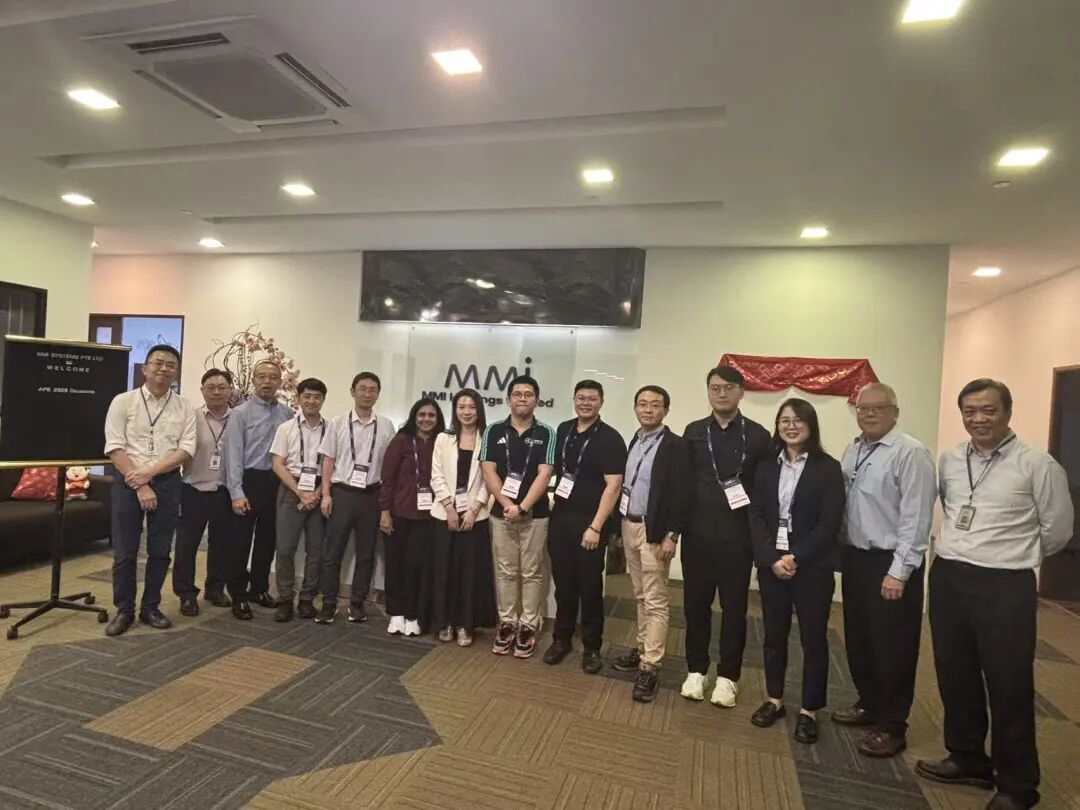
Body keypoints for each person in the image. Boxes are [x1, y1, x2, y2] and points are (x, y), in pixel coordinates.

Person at [916, 379, 1074, 810]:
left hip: (1004, 584)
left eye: (988, 410)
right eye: (969, 411)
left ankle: (1018, 785)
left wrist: (1011, 553)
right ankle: (967, 757)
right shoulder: (951, 460)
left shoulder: (1037, 465)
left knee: (1008, 683)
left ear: (1007, 412)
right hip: (949, 577)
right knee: (955, 673)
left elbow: (1058, 530)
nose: (978, 419)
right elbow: (952, 510)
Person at [834, 382, 936, 758]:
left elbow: (916, 518)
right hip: (857, 559)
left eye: (879, 407)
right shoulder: (854, 449)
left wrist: (900, 571)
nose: (870, 413)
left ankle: (893, 725)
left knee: (893, 645)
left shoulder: (911, 453)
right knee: (860, 637)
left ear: (895, 412)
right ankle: (869, 703)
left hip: (891, 562)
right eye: (863, 408)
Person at [748, 398, 845, 745]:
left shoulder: (828, 468)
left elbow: (830, 522)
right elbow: (756, 514)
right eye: (784, 420)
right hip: (772, 563)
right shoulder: (766, 466)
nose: (791, 426)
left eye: (798, 420)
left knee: (812, 639)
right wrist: (771, 557)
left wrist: (796, 557)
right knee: (773, 635)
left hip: (812, 566)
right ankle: (775, 699)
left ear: (811, 425)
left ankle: (809, 709)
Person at [681, 365, 771, 706]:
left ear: (741, 392)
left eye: (729, 387)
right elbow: (682, 484)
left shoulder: (759, 436)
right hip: (697, 535)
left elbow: (765, 493)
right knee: (696, 606)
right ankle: (696, 670)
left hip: (738, 537)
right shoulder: (693, 432)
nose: (721, 393)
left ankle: (728, 677)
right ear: (708, 392)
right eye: (715, 388)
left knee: (734, 609)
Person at [103, 344, 196, 637]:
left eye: (170, 365)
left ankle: (150, 607)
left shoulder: (185, 407)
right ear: (145, 368)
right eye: (158, 363)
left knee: (160, 550)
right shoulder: (123, 401)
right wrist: (141, 483)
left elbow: (185, 449)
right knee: (125, 550)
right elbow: (114, 447)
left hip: (167, 483)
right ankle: (124, 610)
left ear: (176, 372)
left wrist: (151, 474)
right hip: (128, 482)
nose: (164, 368)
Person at [611, 385, 693, 702]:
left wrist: (673, 534)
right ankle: (643, 647)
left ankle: (651, 666)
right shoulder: (636, 439)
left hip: (654, 530)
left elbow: (682, 493)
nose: (648, 410)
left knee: (656, 600)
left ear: (665, 410)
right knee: (639, 594)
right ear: (635, 408)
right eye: (642, 404)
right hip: (628, 523)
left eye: (655, 405)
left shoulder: (675, 445)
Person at [543, 380, 626, 674]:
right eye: (581, 398)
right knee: (564, 586)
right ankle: (561, 639)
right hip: (561, 520)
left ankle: (592, 647)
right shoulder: (564, 430)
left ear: (601, 402)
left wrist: (596, 527)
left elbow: (614, 486)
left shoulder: (610, 438)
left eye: (592, 398)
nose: (585, 403)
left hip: (591, 524)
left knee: (590, 588)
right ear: (574, 400)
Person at [480, 375, 556, 659]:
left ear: (536, 400)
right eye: (517, 394)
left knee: (532, 572)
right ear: (508, 399)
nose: (522, 398)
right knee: (506, 571)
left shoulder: (547, 432)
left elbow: (545, 474)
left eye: (528, 394)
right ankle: (508, 623)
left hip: (535, 515)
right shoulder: (493, 430)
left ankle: (528, 625)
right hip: (501, 514)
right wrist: (506, 504)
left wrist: (522, 507)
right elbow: (488, 470)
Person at [315, 372, 395, 624]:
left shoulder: (386, 426)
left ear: (378, 395)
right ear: (353, 392)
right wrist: (325, 494)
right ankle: (329, 604)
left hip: (372, 495)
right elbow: (328, 461)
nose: (367, 394)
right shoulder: (337, 423)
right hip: (342, 493)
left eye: (373, 390)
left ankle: (357, 604)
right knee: (332, 552)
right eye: (362, 389)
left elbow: (390, 467)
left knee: (366, 553)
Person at [223, 360, 292, 619]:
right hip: (248, 480)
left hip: (276, 482)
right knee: (240, 542)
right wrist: (236, 492)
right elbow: (233, 455)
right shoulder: (239, 413)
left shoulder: (287, 414)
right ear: (253, 380)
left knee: (267, 540)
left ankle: (259, 589)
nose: (267, 381)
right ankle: (238, 595)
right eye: (261, 376)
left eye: (272, 377)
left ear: (280, 382)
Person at [430, 388, 496, 647]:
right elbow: (436, 475)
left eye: (472, 407)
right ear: (455, 410)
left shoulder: (488, 439)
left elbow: (490, 479)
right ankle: (445, 621)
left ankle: (465, 624)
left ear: (479, 410)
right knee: (444, 571)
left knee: (469, 574)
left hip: (474, 517)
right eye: (461, 407)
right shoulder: (443, 439)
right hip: (443, 515)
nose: (467, 412)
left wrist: (474, 509)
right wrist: (449, 507)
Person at [380, 397, 446, 637]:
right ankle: (396, 613)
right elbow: (387, 477)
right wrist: (384, 511)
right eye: (422, 415)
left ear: (438, 419)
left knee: (418, 567)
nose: (426, 419)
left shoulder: (442, 442)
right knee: (395, 564)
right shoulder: (402, 440)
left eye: (431, 415)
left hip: (429, 516)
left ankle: (413, 614)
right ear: (414, 417)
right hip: (399, 513)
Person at [172, 368, 235, 616]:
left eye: (222, 387)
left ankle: (215, 589)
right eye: (211, 387)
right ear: (202, 391)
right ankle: (186, 594)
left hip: (225, 491)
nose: (217, 392)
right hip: (193, 490)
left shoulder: (238, 419)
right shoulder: (191, 417)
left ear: (231, 390)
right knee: (186, 546)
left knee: (222, 545)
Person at [269, 377, 329, 622]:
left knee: (317, 551)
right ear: (299, 398)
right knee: (285, 549)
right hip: (291, 489)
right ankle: (285, 599)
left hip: (320, 489)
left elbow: (334, 465)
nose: (312, 401)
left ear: (323, 400)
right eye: (307, 396)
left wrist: (317, 494)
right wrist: (300, 493)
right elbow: (277, 464)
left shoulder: (332, 429)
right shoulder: (286, 428)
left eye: (317, 397)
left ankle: (307, 599)